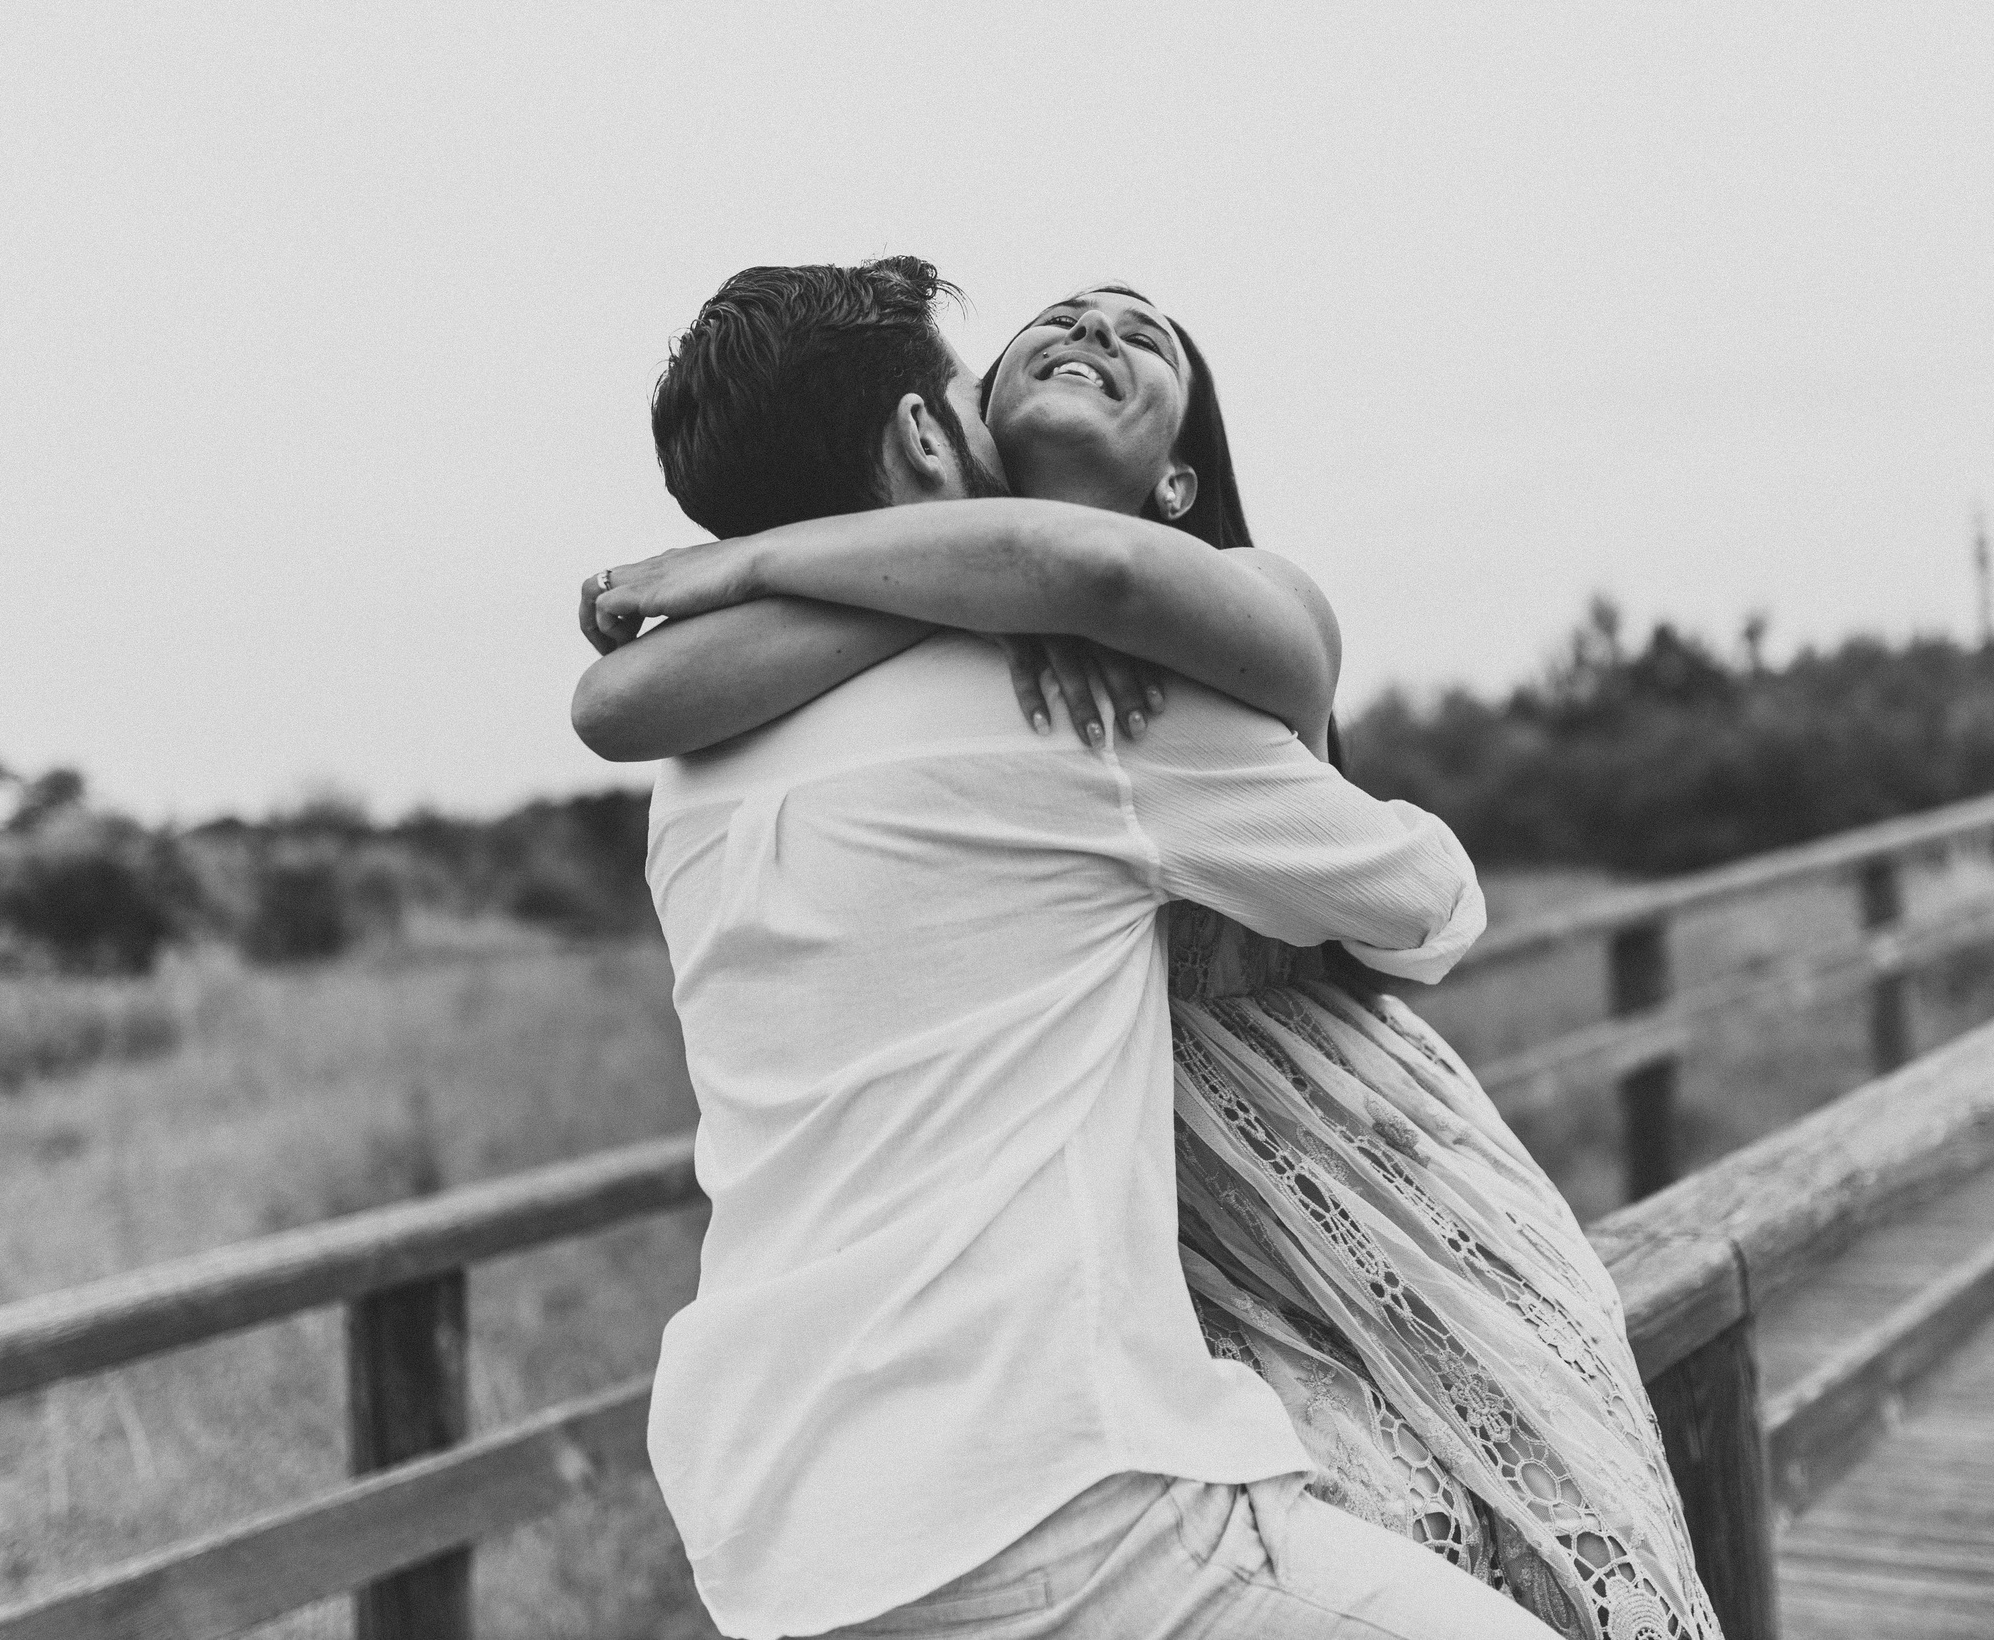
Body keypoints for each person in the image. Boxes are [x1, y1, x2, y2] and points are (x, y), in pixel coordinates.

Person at [605, 257, 1552, 1640]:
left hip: (776, 1522)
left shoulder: (690, 769)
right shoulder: (1074, 711)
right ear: (932, 440)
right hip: (1058, 1493)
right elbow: (1429, 903)